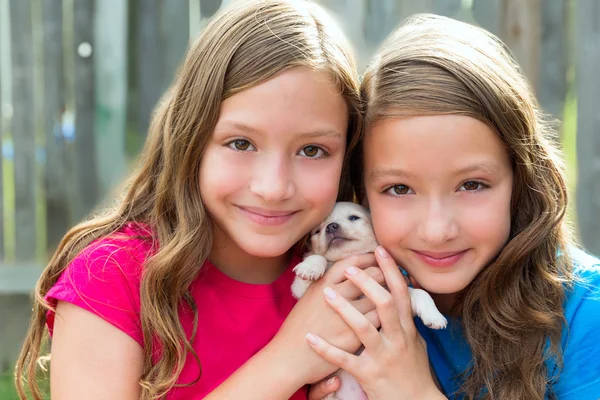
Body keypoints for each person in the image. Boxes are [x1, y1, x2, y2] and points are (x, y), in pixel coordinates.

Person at [14, 1, 386, 399]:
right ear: (191, 138)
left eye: (312, 150)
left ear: (348, 154)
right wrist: (288, 360)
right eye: (241, 143)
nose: (274, 187)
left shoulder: (349, 276)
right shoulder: (112, 279)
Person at [308, 14, 600, 400]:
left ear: (521, 180)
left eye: (472, 184)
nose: (437, 230)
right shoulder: (348, 297)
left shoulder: (586, 313)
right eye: (399, 188)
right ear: (359, 193)